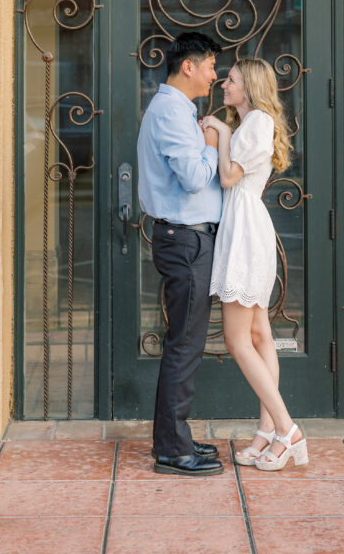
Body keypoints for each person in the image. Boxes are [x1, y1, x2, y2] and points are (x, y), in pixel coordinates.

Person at [202, 58, 309, 472]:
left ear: (248, 87)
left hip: (245, 232)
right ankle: (267, 434)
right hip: (244, 228)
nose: (224, 85)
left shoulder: (257, 123)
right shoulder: (252, 124)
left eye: (230, 80)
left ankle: (287, 429)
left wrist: (222, 131)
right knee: (261, 335)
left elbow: (229, 176)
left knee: (237, 341)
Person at [137, 31, 224, 476]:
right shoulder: (172, 110)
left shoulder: (178, 110)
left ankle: (177, 437)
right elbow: (192, 178)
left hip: (189, 238)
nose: (214, 74)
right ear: (187, 67)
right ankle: (172, 449)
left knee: (186, 343)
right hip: (184, 240)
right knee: (184, 344)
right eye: (209, 65)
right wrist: (210, 142)